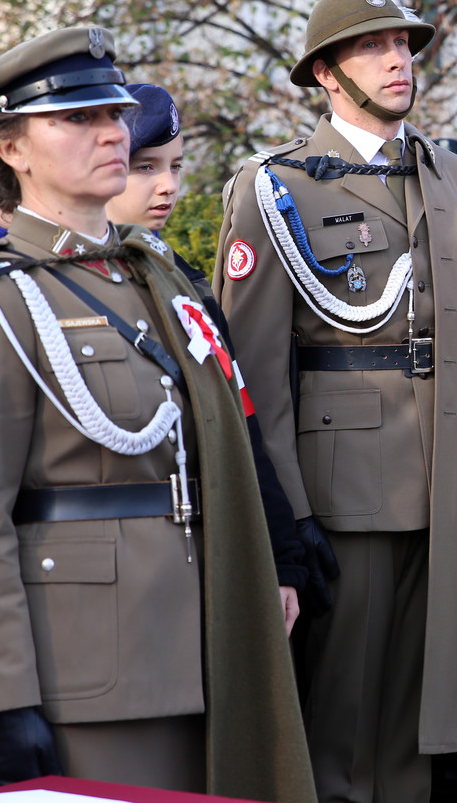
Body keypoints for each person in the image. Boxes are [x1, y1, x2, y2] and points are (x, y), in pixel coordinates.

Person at [0, 27, 312, 801]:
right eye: (77, 118)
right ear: (10, 147)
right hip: (87, 675)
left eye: (113, 113)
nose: (112, 132)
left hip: (206, 647)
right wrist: (3, 701)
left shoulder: (154, 279)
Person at [216, 0, 457, 803]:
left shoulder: (446, 171)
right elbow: (255, 374)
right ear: (326, 74)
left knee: (414, 717)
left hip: (451, 472)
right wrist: (293, 516)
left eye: (404, 45)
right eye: (373, 47)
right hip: (349, 485)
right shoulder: (276, 187)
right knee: (344, 717)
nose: (398, 61)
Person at [106, 82, 316, 619]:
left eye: (175, 167)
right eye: (146, 167)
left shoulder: (186, 284)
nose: (168, 186)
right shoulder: (66, 285)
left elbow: (240, 425)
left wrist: (283, 555)